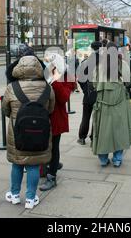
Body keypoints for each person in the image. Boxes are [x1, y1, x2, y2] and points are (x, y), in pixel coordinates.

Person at [2, 56, 56, 209]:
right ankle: (31, 199)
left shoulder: (12, 87)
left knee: (17, 164)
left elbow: (5, 110)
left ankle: (14, 195)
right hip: (40, 132)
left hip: (17, 132)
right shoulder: (47, 87)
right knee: (33, 165)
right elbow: (50, 109)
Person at [92, 42, 131, 168]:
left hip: (102, 102)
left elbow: (94, 83)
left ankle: (103, 159)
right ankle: (117, 159)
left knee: (103, 130)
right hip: (120, 101)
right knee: (119, 129)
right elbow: (128, 81)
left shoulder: (99, 65)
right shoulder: (123, 64)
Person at [39, 54, 77, 191]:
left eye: (51, 64)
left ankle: (52, 176)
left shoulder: (65, 77)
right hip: (42, 116)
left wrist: (54, 81)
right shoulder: (44, 74)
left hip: (56, 117)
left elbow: (63, 98)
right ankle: (45, 167)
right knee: (43, 146)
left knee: (54, 147)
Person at [77, 41, 102, 145]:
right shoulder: (105, 61)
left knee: (85, 117)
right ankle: (93, 137)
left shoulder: (86, 61)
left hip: (88, 93)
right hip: (100, 93)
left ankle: (82, 138)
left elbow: (80, 79)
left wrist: (85, 90)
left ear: (91, 48)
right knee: (97, 117)